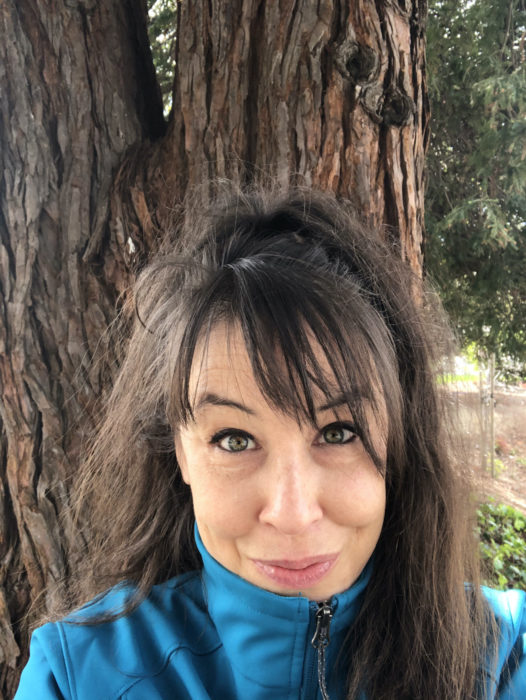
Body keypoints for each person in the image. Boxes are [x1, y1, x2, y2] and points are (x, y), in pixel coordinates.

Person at [15, 185, 525, 700]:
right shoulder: (76, 678)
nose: (293, 513)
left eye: (338, 432)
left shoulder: (503, 659)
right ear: (179, 452)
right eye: (235, 440)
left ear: (399, 437)